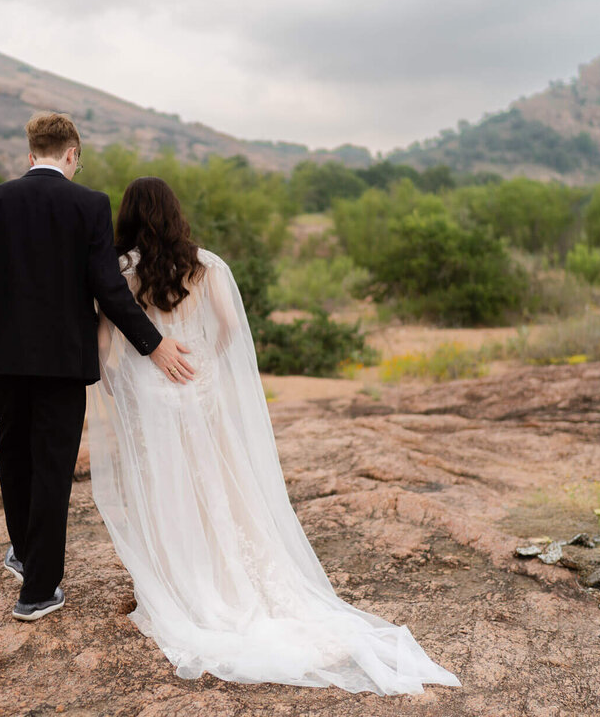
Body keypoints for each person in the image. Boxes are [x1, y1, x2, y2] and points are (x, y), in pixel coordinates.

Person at [86, 176, 462, 694]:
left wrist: (123, 384)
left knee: (164, 485)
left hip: (151, 391)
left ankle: (180, 578)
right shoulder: (206, 265)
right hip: (198, 382)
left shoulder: (120, 270)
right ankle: (228, 570)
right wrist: (207, 364)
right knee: (214, 478)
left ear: (126, 216)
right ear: (175, 214)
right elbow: (230, 330)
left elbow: (106, 344)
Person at [0, 113, 195, 622]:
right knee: (52, 466)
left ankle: (24, 556)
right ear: (71, 155)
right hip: (63, 360)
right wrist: (155, 345)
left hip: (4, 358)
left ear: (30, 152)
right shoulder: (88, 205)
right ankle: (38, 590)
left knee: (13, 455)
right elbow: (109, 290)